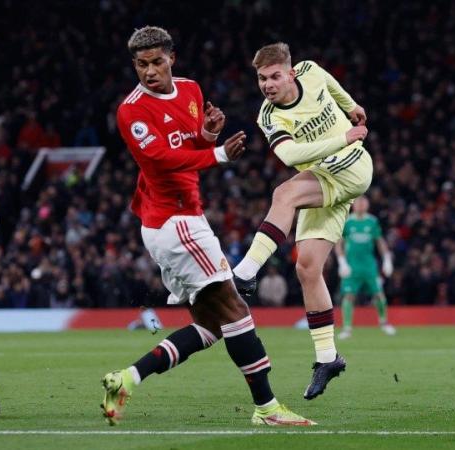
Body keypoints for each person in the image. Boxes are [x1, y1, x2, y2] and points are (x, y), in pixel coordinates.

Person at [101, 27, 314, 427]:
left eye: (156, 62)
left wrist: (208, 134)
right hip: (171, 221)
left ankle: (125, 379)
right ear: (134, 65)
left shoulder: (192, 92)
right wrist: (217, 153)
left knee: (211, 325)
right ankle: (267, 408)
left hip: (188, 216)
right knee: (236, 309)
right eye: (141, 65)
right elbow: (162, 161)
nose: (149, 72)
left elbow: (189, 150)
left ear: (171, 58)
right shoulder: (131, 111)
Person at [232, 43, 372, 400]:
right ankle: (328, 358)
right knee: (307, 269)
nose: (267, 84)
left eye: (275, 76)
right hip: (324, 176)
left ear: (290, 73)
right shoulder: (269, 116)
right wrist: (342, 133)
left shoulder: (310, 70)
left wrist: (351, 106)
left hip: (352, 166)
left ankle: (246, 272)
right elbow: (290, 153)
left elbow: (330, 83)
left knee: (284, 194)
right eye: (262, 78)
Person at [334, 196, 396, 339]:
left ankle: (384, 322)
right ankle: (347, 328)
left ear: (367, 205)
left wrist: (387, 259)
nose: (361, 205)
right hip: (352, 266)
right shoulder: (347, 221)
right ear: (353, 205)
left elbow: (379, 241)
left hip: (369, 266)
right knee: (349, 296)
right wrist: (341, 261)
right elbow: (339, 243)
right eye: (358, 203)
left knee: (379, 294)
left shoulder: (372, 221)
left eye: (364, 203)